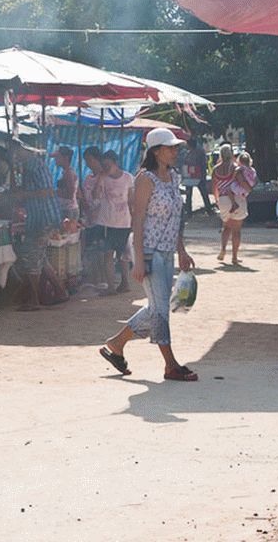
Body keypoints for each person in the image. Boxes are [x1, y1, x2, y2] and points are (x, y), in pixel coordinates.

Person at [98, 129, 197, 381]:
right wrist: (139, 259)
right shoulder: (145, 179)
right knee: (161, 309)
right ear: (156, 151)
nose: (175, 151)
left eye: (176, 147)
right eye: (170, 147)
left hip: (167, 251)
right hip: (149, 251)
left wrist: (181, 250)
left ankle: (116, 344)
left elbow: (175, 218)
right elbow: (138, 219)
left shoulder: (173, 177)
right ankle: (170, 364)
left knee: (157, 307)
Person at [10, 142, 63, 311]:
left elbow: (47, 191)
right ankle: (60, 291)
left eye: (15, 151)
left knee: (31, 256)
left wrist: (24, 194)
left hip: (43, 217)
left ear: (22, 149)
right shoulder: (28, 166)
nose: (14, 155)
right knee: (40, 257)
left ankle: (34, 299)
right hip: (38, 217)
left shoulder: (35, 165)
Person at [95, 150, 134, 294]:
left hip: (123, 222)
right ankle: (111, 286)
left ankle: (125, 283)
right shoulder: (103, 178)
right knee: (108, 254)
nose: (106, 168)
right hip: (107, 221)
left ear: (115, 163)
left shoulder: (128, 178)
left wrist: (134, 221)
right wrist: (100, 179)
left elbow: (131, 201)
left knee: (123, 255)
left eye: (108, 165)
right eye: (103, 165)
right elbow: (95, 196)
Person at [212, 144, 247, 264]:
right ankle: (234, 257)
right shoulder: (235, 168)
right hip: (236, 198)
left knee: (226, 227)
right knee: (236, 230)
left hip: (222, 199)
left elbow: (214, 187)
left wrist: (217, 200)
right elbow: (241, 182)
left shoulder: (215, 169)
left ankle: (222, 249)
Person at [80, 146, 106, 286]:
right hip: (89, 217)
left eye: (89, 160)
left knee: (101, 249)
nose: (87, 163)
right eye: (86, 161)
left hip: (101, 218)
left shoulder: (105, 177)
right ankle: (95, 279)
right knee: (92, 250)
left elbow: (100, 197)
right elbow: (85, 198)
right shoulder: (88, 178)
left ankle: (102, 278)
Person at [183, 137, 214, 216]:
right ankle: (191, 211)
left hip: (196, 175)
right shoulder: (192, 151)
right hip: (191, 176)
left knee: (200, 193)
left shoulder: (197, 151)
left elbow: (202, 164)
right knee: (197, 194)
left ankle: (190, 211)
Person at [50, 146, 79, 221]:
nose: (55, 160)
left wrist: (53, 193)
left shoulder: (69, 173)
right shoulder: (66, 172)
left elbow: (70, 194)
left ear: (65, 158)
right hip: (66, 209)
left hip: (68, 210)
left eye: (58, 157)